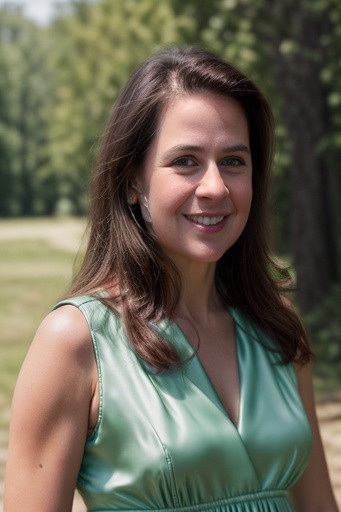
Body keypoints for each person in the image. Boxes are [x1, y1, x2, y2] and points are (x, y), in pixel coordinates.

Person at [4, 46, 339, 512]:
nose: (215, 187)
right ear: (132, 180)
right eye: (186, 161)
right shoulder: (76, 343)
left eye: (234, 161)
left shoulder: (277, 328)